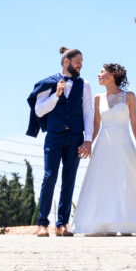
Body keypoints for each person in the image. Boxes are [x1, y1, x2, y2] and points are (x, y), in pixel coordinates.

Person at [72, 63, 136, 236]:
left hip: (124, 143)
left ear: (113, 74)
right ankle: (108, 224)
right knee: (104, 182)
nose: (98, 74)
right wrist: (88, 142)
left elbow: (134, 122)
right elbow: (96, 124)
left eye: (102, 72)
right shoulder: (98, 98)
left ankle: (127, 223)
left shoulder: (129, 97)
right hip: (104, 145)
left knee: (126, 181)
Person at [25, 47, 94, 238]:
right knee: (50, 177)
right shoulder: (47, 84)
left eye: (82, 61)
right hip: (54, 136)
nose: (81, 64)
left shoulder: (85, 85)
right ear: (66, 61)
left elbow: (88, 113)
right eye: (77, 60)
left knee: (69, 179)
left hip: (75, 137)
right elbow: (39, 111)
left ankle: (62, 223)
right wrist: (56, 95)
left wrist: (88, 140)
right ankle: (42, 224)